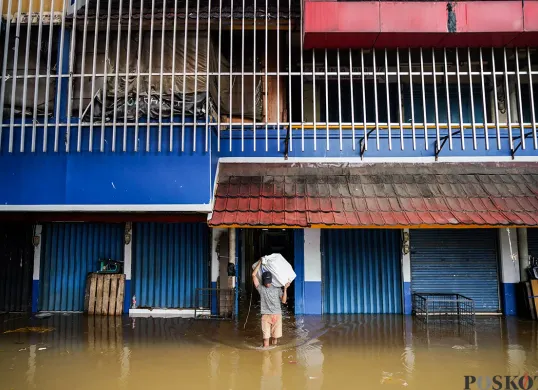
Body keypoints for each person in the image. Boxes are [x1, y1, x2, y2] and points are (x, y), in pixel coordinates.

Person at [252, 259, 290, 348]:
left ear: (271, 281)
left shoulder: (277, 288)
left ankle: (274, 355)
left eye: (269, 282)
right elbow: (253, 275)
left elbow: (284, 301)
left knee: (274, 338)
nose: (268, 284)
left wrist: (285, 289)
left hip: (277, 315)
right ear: (263, 281)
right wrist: (260, 262)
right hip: (265, 315)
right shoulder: (260, 288)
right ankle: (266, 356)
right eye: (266, 282)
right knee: (265, 339)